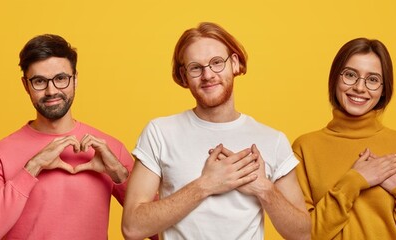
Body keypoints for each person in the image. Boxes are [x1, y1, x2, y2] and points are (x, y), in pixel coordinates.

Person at [121, 22, 310, 240]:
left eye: (217, 63)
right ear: (184, 76)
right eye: (195, 67)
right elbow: (132, 227)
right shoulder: (159, 133)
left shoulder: (273, 140)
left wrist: (264, 189)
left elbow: (303, 234)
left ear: (235, 64)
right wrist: (205, 185)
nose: (208, 75)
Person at [0, 34, 133, 239]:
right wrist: (32, 167)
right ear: (25, 85)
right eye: (39, 81)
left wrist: (119, 173)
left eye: (61, 79)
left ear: (75, 79)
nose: (51, 90)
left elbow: (158, 231)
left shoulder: (110, 149)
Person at [291, 38, 396, 239]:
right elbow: (305, 235)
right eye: (350, 75)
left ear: (383, 89)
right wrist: (354, 181)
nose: (359, 87)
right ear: (335, 78)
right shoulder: (305, 147)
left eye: (372, 79)